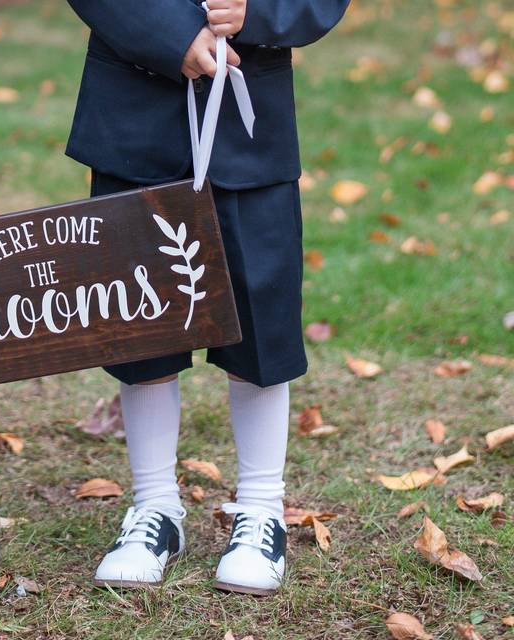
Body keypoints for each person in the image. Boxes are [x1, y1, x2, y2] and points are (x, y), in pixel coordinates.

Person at [65, 0, 349, 593]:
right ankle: (154, 507)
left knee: (259, 315)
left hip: (250, 117)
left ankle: (261, 508)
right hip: (132, 106)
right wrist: (169, 33)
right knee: (140, 319)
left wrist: (255, 12)